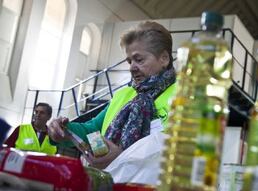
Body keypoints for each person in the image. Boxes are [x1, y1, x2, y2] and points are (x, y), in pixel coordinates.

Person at [48, 21, 176, 169]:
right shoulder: (124, 95)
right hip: (109, 188)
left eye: (139, 60)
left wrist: (123, 158)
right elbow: (92, 130)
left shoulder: (186, 97)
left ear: (164, 58)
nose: (132, 68)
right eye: (129, 61)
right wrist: (64, 131)